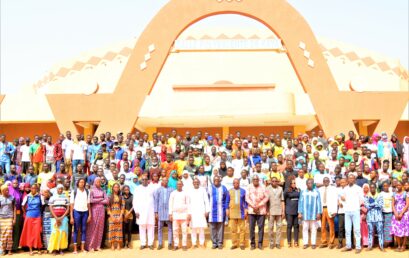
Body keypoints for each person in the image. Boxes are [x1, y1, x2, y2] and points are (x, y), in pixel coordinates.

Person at [341, 174, 364, 253]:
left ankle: (358, 246)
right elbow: (343, 199)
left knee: (357, 229)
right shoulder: (345, 189)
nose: (351, 179)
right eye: (349, 178)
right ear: (347, 179)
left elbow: (362, 199)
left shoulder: (358, 188)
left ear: (355, 180)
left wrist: (357, 206)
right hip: (347, 211)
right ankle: (348, 246)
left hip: (355, 211)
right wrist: (343, 199)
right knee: (347, 229)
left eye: (352, 178)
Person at [246, 175, 269, 250]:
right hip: (251, 210)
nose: (255, 180)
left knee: (261, 228)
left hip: (261, 210)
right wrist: (253, 206)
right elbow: (247, 198)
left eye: (257, 179)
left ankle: (260, 244)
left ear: (259, 180)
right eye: (254, 179)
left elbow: (267, 197)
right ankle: (252, 244)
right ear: (252, 180)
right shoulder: (249, 187)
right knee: (251, 228)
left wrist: (259, 205)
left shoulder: (263, 187)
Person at [20, 184, 44, 255]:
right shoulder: (27, 196)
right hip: (29, 216)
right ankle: (30, 249)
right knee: (29, 233)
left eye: (35, 188)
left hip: (37, 216)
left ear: (37, 189)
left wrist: (40, 213)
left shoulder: (40, 196)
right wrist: (25, 213)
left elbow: (42, 206)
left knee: (37, 233)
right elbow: (22, 206)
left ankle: (39, 248)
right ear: (30, 189)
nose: (34, 189)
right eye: (32, 188)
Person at [298, 179, 322, 249]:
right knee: (305, 228)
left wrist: (319, 213)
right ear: (306, 184)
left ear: (313, 184)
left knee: (314, 229)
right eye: (309, 183)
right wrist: (299, 212)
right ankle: (305, 243)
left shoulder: (316, 192)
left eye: (311, 183)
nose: (310, 184)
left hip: (314, 214)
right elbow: (300, 202)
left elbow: (319, 203)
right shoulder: (303, 192)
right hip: (305, 214)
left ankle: (313, 243)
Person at [133, 175, 155, 250]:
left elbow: (155, 199)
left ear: (148, 180)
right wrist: (136, 211)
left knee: (150, 227)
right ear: (141, 180)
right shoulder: (137, 189)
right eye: (143, 179)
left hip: (150, 211)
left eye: (146, 179)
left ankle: (150, 244)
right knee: (142, 227)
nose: (144, 181)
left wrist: (155, 211)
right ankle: (143, 243)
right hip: (141, 211)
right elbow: (135, 201)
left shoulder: (151, 188)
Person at [86, 177, 108, 252]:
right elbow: (91, 200)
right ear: (95, 182)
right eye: (97, 182)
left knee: (100, 227)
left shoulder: (103, 190)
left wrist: (98, 201)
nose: (98, 183)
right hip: (94, 210)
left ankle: (98, 246)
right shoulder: (91, 190)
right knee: (93, 227)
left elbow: (107, 201)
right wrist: (101, 199)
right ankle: (90, 246)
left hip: (101, 210)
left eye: (99, 182)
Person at [70, 178, 91, 254]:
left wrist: (90, 215)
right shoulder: (74, 192)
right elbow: (71, 205)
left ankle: (82, 248)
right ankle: (75, 249)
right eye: (80, 182)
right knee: (76, 230)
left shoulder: (87, 191)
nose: (82, 183)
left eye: (83, 182)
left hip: (85, 212)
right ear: (78, 183)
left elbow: (88, 204)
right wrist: (71, 216)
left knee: (84, 230)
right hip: (76, 212)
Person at [47, 184, 70, 255]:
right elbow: (50, 208)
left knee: (62, 233)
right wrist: (56, 218)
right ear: (56, 189)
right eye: (59, 189)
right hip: (54, 218)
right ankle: (54, 249)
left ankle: (61, 249)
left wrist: (62, 217)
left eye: (61, 189)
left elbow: (68, 208)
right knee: (55, 233)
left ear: (63, 190)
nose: (60, 190)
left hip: (64, 218)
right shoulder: (52, 197)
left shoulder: (65, 198)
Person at [208, 176, 229, 249]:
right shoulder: (209, 188)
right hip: (211, 211)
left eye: (217, 180)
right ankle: (214, 243)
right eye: (215, 180)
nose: (216, 181)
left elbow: (227, 198)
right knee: (212, 228)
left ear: (220, 180)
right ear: (213, 180)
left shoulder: (223, 188)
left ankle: (220, 243)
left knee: (220, 228)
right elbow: (207, 198)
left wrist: (226, 208)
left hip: (221, 211)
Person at [188, 178, 209, 249]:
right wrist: (189, 213)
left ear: (199, 183)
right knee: (193, 229)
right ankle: (194, 244)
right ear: (193, 183)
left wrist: (207, 210)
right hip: (193, 212)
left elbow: (206, 200)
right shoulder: (190, 190)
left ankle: (202, 243)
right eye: (195, 182)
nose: (196, 183)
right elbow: (188, 203)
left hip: (201, 211)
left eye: (197, 182)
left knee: (201, 228)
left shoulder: (203, 190)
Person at [154, 177, 174, 250]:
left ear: (168, 181)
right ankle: (160, 243)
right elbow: (156, 201)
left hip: (169, 212)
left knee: (170, 228)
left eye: (166, 181)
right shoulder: (158, 190)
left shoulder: (171, 189)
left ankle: (170, 243)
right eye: (164, 181)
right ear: (162, 181)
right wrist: (156, 212)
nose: (165, 182)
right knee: (159, 228)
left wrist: (172, 212)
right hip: (160, 211)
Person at [168, 180, 189, 251]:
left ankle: (184, 245)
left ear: (182, 185)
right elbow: (170, 204)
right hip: (175, 214)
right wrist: (170, 214)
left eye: (180, 184)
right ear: (176, 185)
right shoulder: (173, 193)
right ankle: (176, 245)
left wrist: (189, 213)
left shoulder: (186, 193)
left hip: (184, 214)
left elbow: (188, 204)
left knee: (184, 230)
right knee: (175, 230)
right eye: (178, 184)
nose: (179, 185)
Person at [318, 176, 338, 249]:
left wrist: (335, 211)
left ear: (329, 181)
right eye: (324, 181)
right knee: (322, 226)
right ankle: (324, 242)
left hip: (330, 209)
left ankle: (331, 242)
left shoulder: (333, 189)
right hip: (322, 209)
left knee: (331, 226)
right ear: (323, 182)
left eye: (327, 181)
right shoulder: (320, 189)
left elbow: (335, 200)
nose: (325, 182)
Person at [227, 178, 247, 250]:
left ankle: (242, 243)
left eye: (237, 183)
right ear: (233, 184)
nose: (236, 184)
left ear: (239, 183)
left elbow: (245, 202)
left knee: (242, 229)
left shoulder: (243, 191)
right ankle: (234, 244)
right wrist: (227, 210)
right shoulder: (229, 191)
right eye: (234, 183)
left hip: (241, 212)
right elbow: (227, 201)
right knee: (233, 230)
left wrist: (246, 210)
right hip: (232, 212)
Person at [364, 183, 385, 251]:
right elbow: (367, 206)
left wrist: (372, 204)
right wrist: (376, 203)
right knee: (370, 232)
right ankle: (370, 246)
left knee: (380, 232)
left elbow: (381, 205)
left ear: (375, 188)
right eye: (371, 187)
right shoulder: (367, 196)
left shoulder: (380, 195)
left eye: (373, 187)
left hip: (379, 217)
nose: (372, 189)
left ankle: (381, 246)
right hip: (370, 217)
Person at [266, 176, 284, 249]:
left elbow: (282, 200)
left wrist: (283, 211)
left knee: (279, 228)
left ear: (277, 182)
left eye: (275, 181)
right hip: (271, 210)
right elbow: (266, 201)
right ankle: (271, 242)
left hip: (279, 210)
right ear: (271, 181)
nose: (274, 182)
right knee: (270, 228)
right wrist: (267, 210)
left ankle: (277, 243)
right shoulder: (267, 188)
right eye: (272, 181)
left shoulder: (280, 188)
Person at [391, 180, 409, 252]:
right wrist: (395, 212)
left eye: (399, 185)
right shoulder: (394, 194)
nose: (398, 186)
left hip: (404, 213)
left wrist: (401, 213)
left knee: (404, 230)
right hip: (396, 213)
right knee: (396, 230)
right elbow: (392, 204)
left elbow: (407, 204)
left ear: (402, 186)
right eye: (397, 185)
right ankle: (398, 245)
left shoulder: (406, 194)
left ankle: (403, 245)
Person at [107, 183, 125, 250]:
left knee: (118, 230)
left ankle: (118, 244)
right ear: (113, 188)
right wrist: (112, 216)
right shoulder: (109, 197)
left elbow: (123, 207)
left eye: (117, 187)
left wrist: (120, 216)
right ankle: (112, 244)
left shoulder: (121, 197)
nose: (116, 188)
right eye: (115, 187)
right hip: (112, 216)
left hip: (119, 215)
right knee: (112, 230)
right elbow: (108, 208)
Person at [284, 178, 300, 247]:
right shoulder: (287, 190)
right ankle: (289, 241)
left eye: (294, 183)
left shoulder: (298, 190)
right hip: (289, 211)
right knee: (289, 226)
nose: (293, 184)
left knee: (296, 226)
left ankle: (296, 241)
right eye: (292, 183)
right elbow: (283, 200)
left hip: (296, 211)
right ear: (290, 184)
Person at [0, 184, 15, 255]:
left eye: (8, 190)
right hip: (2, 218)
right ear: (2, 191)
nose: (7, 191)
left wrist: (14, 218)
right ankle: (3, 249)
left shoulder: (12, 198)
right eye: (5, 190)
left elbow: (14, 208)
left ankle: (9, 249)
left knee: (9, 233)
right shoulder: (0, 198)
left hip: (9, 217)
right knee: (2, 234)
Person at [8, 180, 22, 252]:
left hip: (18, 212)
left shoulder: (19, 191)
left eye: (16, 183)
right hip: (9, 212)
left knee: (16, 229)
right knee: (9, 230)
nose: (15, 184)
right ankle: (8, 247)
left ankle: (15, 247)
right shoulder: (8, 189)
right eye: (14, 183)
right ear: (11, 183)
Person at [379, 181, 393, 248]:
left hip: (389, 212)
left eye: (386, 186)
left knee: (388, 228)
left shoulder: (391, 194)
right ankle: (383, 242)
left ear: (389, 186)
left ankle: (388, 243)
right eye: (384, 186)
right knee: (382, 227)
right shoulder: (381, 194)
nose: (385, 187)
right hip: (382, 212)